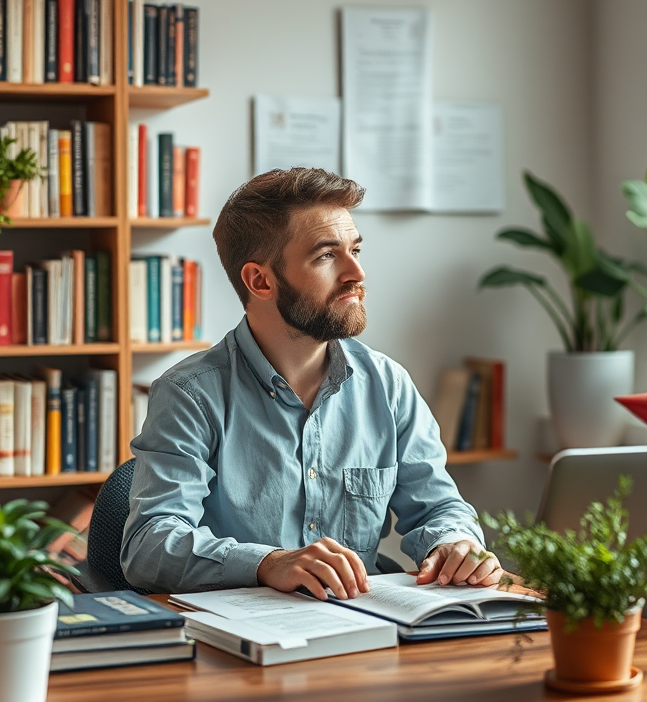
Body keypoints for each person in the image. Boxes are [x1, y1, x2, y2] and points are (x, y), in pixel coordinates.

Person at [121, 168, 503, 598]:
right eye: (326, 256)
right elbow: (148, 545)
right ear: (260, 281)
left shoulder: (388, 384)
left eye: (355, 250)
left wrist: (456, 543)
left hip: (365, 627)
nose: (356, 273)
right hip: (244, 641)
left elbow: (439, 506)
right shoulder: (190, 394)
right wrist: (267, 563)